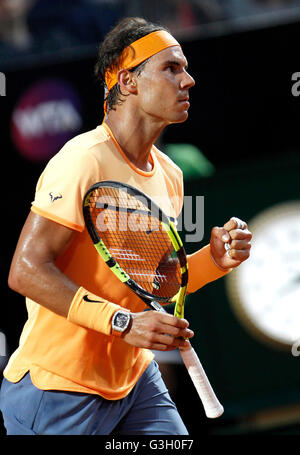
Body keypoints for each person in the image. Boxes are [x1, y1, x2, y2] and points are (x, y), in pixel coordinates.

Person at [0, 17, 252, 435]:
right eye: (171, 68)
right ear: (128, 80)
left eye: (186, 68)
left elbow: (155, 284)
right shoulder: (82, 160)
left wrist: (213, 258)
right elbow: (25, 270)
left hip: (134, 382)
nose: (188, 80)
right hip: (58, 388)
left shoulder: (170, 174)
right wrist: (124, 323)